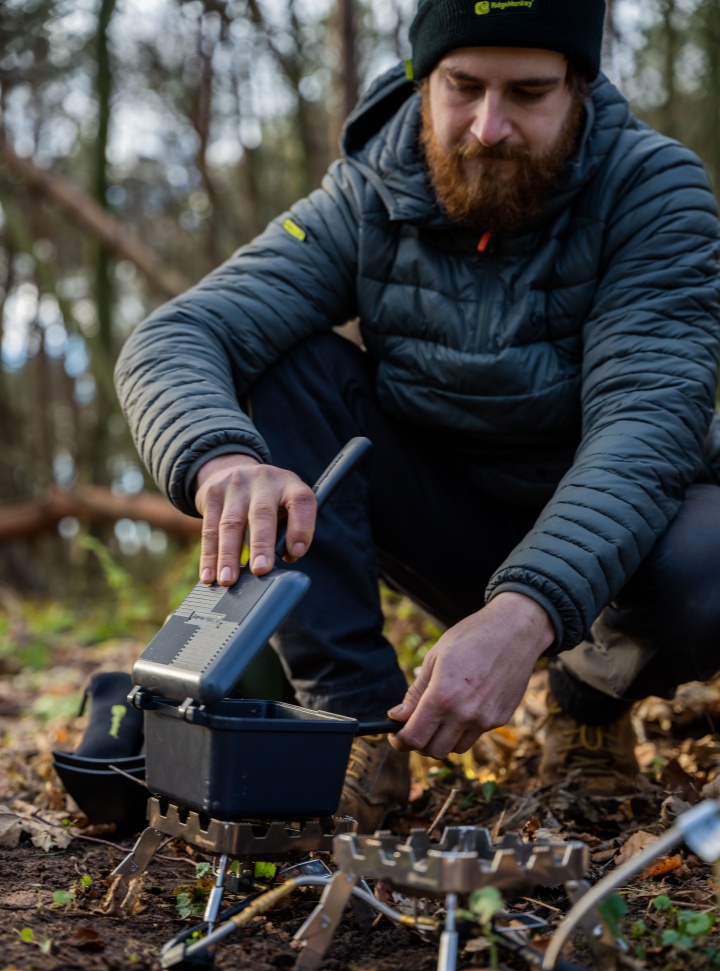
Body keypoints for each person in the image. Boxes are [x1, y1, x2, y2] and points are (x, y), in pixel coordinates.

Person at [116, 0, 720, 831]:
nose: (489, 127)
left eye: (530, 92)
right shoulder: (370, 187)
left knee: (712, 554)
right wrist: (219, 457)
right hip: (445, 520)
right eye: (462, 86)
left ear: (581, 87)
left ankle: (587, 705)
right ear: (422, 79)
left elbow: (646, 431)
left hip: (621, 553)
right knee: (291, 364)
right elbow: (179, 333)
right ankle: (354, 718)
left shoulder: (656, 191)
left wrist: (523, 615)